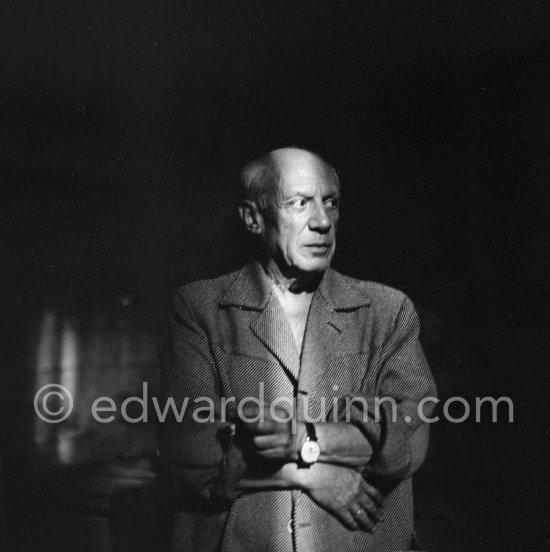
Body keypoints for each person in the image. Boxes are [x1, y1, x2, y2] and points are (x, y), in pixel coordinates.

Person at [158, 147, 437, 552]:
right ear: (253, 218)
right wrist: (309, 473)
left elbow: (411, 440)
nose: (322, 222)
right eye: (299, 203)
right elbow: (189, 449)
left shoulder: (387, 311)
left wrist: (297, 440)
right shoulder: (200, 308)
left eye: (331, 203)